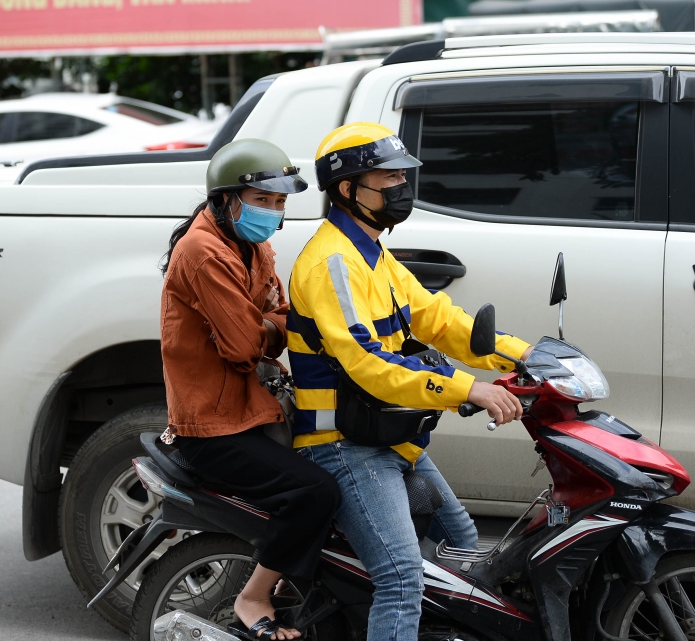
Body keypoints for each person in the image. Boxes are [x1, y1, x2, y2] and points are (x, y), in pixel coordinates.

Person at [287, 122, 530, 641]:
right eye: (388, 177)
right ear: (348, 189)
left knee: (464, 544)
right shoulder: (333, 262)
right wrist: (471, 390)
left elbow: (439, 319)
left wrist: (530, 355)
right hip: (343, 444)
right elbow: (369, 365)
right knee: (401, 579)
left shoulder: (374, 254)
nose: (402, 187)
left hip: (389, 434)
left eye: (404, 176)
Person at [160, 139, 341, 641]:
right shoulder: (202, 251)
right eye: (263, 200)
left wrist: (264, 326)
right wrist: (265, 328)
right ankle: (256, 594)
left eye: (280, 202)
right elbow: (244, 346)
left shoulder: (252, 244)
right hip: (212, 425)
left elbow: (282, 316)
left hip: (251, 410)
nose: (272, 211)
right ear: (227, 199)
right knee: (313, 492)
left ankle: (292, 586)